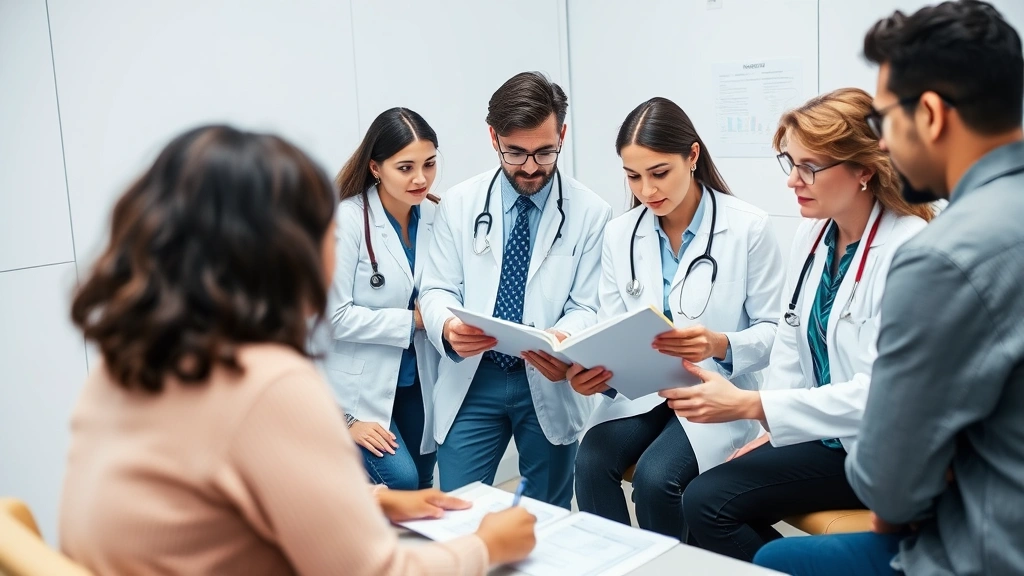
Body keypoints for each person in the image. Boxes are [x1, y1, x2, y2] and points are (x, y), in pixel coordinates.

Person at [58, 125, 537, 575]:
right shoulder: (267, 385)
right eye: (321, 225)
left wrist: (371, 500)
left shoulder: (125, 367)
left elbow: (212, 502)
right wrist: (489, 545)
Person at [753, 2, 1024, 574]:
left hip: (979, 548)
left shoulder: (941, 255)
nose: (883, 143)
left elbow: (889, 487)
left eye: (884, 121)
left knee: (773, 559)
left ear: (929, 114)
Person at [660, 87, 932, 561]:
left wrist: (752, 405)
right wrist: (771, 428)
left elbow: (881, 395)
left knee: (710, 503)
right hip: (823, 436)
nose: (793, 181)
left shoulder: (910, 250)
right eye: (791, 163)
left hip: (881, 451)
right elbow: (790, 340)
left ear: (864, 169)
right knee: (703, 494)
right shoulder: (814, 232)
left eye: (811, 167)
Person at [565, 96, 782, 539]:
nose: (647, 191)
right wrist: (595, 375)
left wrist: (719, 344)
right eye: (633, 176)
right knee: (588, 460)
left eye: (659, 173)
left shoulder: (748, 228)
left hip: (712, 390)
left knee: (655, 479)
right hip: (642, 392)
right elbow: (613, 326)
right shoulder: (619, 234)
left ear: (693, 156)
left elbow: (776, 332)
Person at [419, 71, 612, 509]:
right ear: (493, 138)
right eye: (516, 152)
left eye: (545, 151)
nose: (530, 166)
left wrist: (564, 337)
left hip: (547, 375)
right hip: (474, 375)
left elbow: (587, 304)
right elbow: (436, 288)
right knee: (458, 512)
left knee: (550, 519)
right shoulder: (460, 203)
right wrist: (449, 326)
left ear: (562, 133)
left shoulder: (592, 213)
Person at [326, 107, 442, 490]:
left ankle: (411, 552)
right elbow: (334, 318)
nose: (420, 178)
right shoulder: (348, 220)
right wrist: (412, 321)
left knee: (423, 483)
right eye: (405, 167)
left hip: (418, 381)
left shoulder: (437, 219)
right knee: (403, 480)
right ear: (376, 168)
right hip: (355, 394)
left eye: (429, 164)